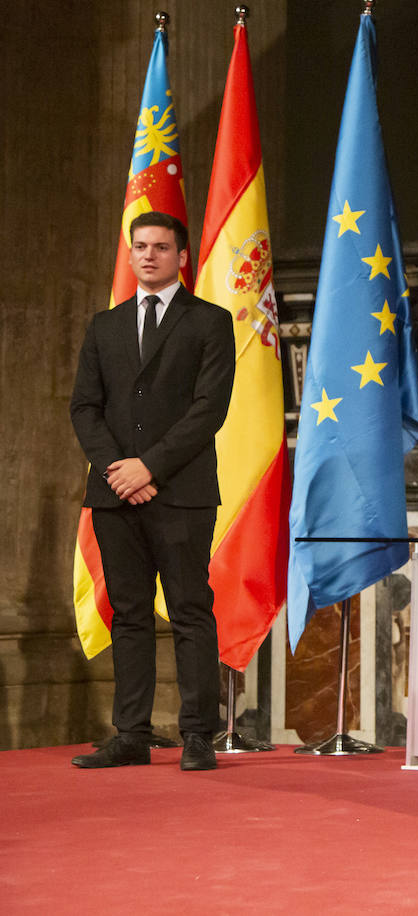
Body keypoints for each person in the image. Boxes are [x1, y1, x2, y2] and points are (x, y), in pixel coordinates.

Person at [69, 211, 236, 771]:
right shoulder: (104, 326)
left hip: (181, 492)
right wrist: (120, 468)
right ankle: (131, 734)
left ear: (181, 257)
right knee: (130, 614)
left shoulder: (209, 322)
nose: (148, 256)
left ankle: (197, 735)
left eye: (161, 248)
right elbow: (85, 408)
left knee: (190, 610)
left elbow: (208, 410)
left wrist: (151, 467)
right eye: (140, 246)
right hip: (115, 493)